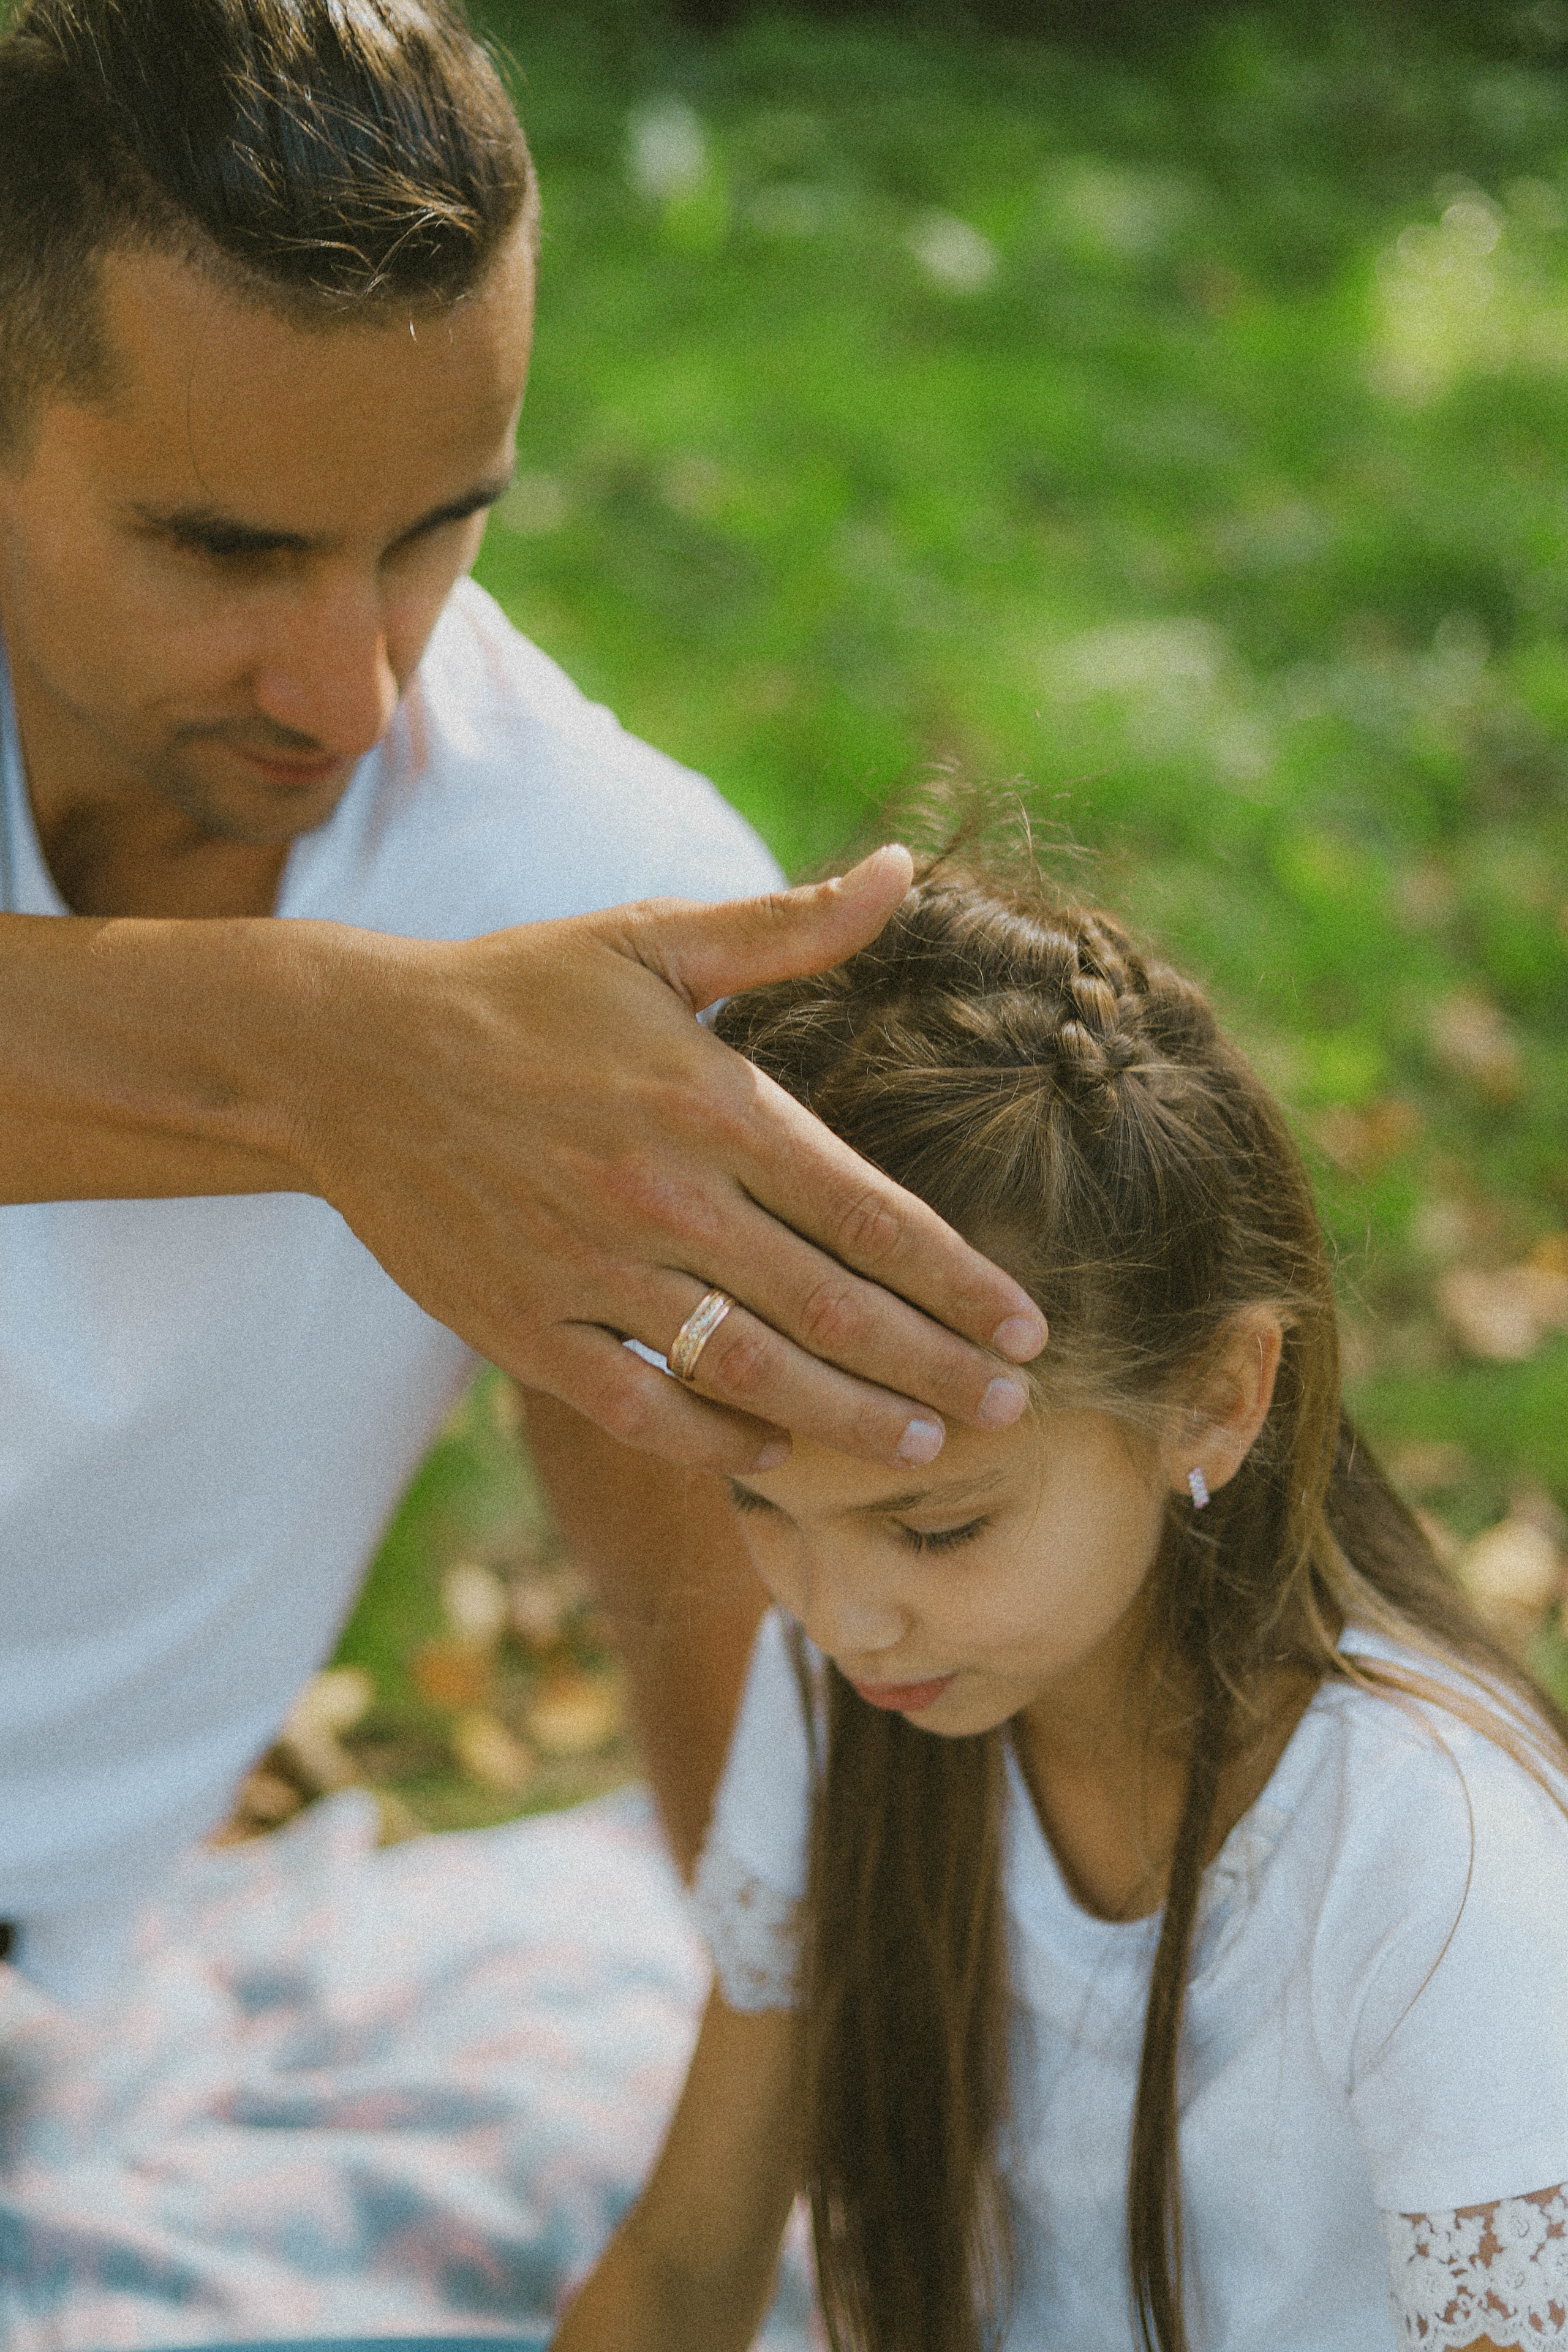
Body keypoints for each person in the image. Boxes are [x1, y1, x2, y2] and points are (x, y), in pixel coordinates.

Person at [0, 0, 1049, 2002]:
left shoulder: (593, 906)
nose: (349, 689)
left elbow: (723, 1644)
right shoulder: (449, 1016)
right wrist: (323, 1060)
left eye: (434, 536)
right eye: (224, 549)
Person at [556, 856, 1568, 2352]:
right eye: (762, 1508)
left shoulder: (1431, 1864)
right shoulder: (840, 1685)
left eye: (939, 1527)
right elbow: (689, 2267)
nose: (843, 1620)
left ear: (1214, 1402)